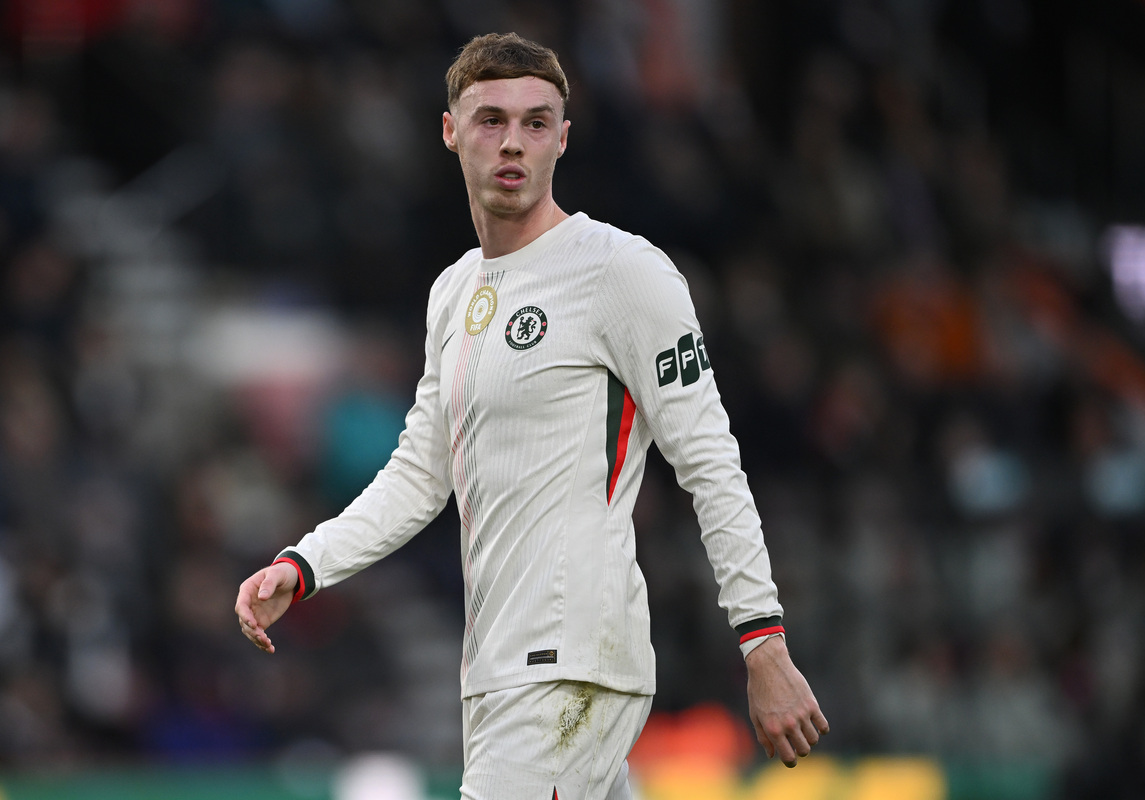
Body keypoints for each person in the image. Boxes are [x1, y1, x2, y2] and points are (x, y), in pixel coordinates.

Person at [235, 32, 828, 800]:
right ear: (450, 130)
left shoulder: (621, 272)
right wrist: (305, 564)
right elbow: (421, 474)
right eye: (490, 119)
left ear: (563, 139)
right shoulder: (453, 294)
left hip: (569, 663)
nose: (513, 141)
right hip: (498, 668)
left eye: (536, 122)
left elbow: (710, 459)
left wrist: (764, 644)